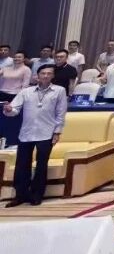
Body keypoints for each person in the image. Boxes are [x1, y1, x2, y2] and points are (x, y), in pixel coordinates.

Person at [2, 64, 67, 207]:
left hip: (46, 133)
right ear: (37, 76)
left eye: (49, 73)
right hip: (26, 133)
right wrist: (8, 109)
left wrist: (57, 132)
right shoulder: (26, 91)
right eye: (43, 73)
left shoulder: (59, 91)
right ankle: (20, 195)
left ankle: (37, 195)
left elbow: (61, 113)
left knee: (41, 165)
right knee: (22, 165)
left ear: (53, 76)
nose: (45, 76)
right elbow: (14, 109)